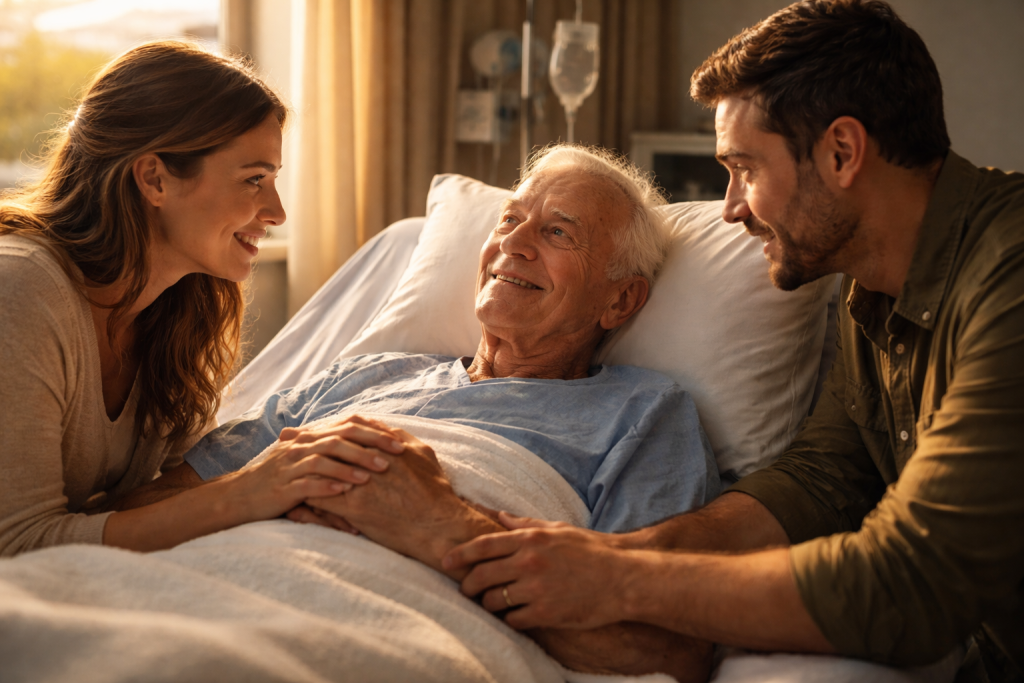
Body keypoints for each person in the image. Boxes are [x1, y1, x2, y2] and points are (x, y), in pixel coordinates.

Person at [441, 2, 1024, 682]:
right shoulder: (872, 293)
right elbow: (820, 479)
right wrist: (607, 552)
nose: (731, 207)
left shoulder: (1007, 279)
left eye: (744, 168)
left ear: (842, 152)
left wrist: (619, 581)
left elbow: (913, 580)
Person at [115, 144, 721, 681]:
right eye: (509, 219)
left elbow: (667, 650)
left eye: (558, 233)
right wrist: (260, 489)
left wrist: (437, 525)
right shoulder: (361, 375)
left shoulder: (642, 413)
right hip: (208, 587)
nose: (512, 242)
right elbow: (134, 515)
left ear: (620, 299)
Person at [0, 41, 385, 557]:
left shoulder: (177, 313)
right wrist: (246, 494)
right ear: (154, 178)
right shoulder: (20, 291)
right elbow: (16, 543)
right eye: (254, 180)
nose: (276, 212)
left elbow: (156, 499)